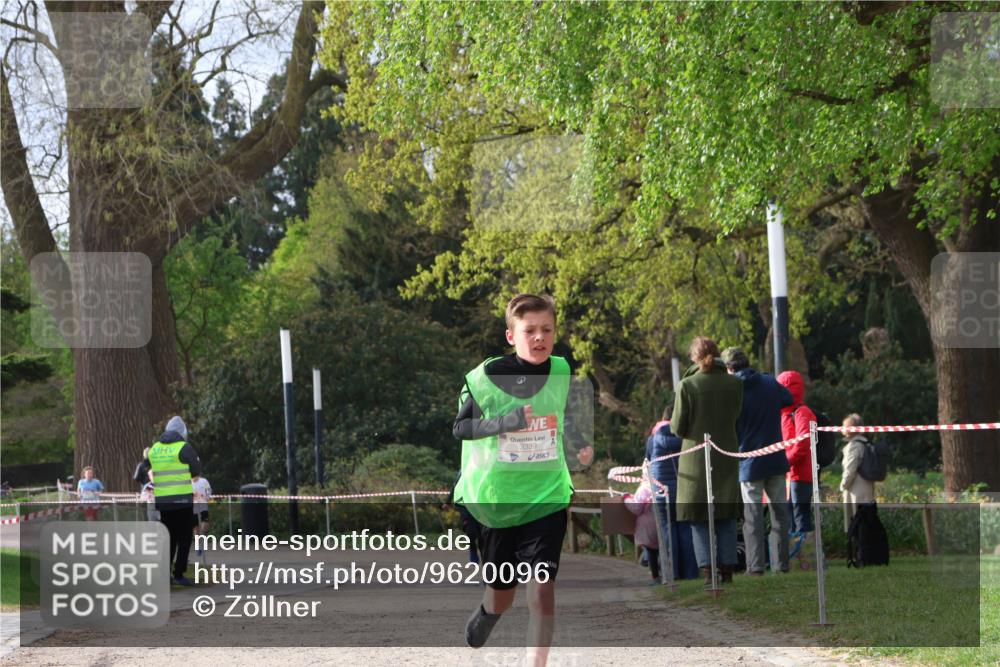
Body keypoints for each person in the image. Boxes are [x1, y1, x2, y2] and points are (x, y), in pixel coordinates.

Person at [452, 294, 593, 666]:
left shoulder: (561, 371)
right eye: (529, 330)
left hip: (547, 496)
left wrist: (580, 444)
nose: (539, 337)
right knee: (502, 593)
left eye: (547, 329)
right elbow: (460, 428)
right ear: (511, 336)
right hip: (496, 501)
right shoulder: (486, 378)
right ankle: (489, 611)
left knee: (543, 587)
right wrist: (508, 422)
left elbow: (562, 417)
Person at [671, 337, 743, 587]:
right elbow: (736, 416)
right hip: (726, 454)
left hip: (695, 459)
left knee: (698, 517)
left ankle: (707, 571)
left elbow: (678, 428)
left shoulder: (687, 385)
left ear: (693, 357)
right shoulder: (735, 383)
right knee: (726, 516)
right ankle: (728, 570)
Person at [722, 347, 793, 576]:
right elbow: (788, 399)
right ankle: (782, 565)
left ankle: (755, 566)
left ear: (729, 368)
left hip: (749, 463)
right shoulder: (769, 382)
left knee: (752, 517)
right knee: (780, 514)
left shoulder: (731, 391)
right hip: (776, 459)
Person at [146, 415, 202, 586]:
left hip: (163, 501)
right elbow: (196, 470)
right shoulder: (184, 447)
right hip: (182, 499)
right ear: (182, 432)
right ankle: (179, 573)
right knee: (184, 537)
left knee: (168, 537)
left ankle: (165, 574)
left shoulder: (154, 449)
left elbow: (149, 468)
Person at [645, 409, 699, 580]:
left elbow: (647, 462)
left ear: (663, 418)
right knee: (686, 530)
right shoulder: (687, 438)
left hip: (661, 492)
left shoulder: (653, 439)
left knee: (667, 530)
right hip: (684, 489)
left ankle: (671, 573)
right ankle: (690, 573)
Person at [776, 370, 816, 536]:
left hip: (800, 475)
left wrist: (783, 463)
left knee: (800, 518)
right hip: (790, 475)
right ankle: (798, 551)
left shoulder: (801, 412)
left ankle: (807, 551)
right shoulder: (785, 414)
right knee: (792, 518)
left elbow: (801, 445)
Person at [840, 413, 876, 533]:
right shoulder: (866, 443)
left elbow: (850, 469)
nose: (842, 428)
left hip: (855, 490)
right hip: (866, 488)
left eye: (844, 426)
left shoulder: (854, 446)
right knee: (866, 524)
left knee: (857, 524)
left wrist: (843, 485)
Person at [624, 479, 660, 584]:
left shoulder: (644, 489)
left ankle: (656, 578)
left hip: (648, 525)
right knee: (659, 551)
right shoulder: (660, 485)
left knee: (651, 551)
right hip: (661, 522)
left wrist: (626, 498)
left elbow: (636, 508)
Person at [192, 474, 212, 556]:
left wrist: (207, 496)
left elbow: (208, 490)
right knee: (196, 529)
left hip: (203, 506)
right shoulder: (188, 482)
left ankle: (203, 540)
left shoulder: (204, 481)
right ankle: (198, 547)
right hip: (193, 508)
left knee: (205, 526)